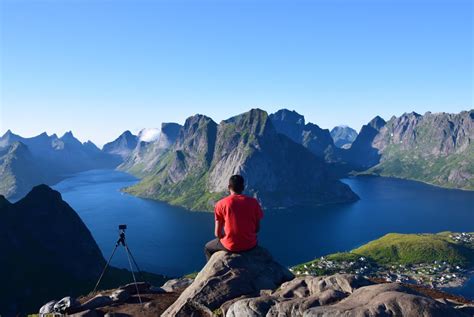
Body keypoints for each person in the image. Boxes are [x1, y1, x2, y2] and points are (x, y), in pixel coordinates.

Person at [204, 174, 264, 261]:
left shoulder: (221, 204)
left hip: (230, 245)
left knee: (208, 248)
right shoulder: (254, 202)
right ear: (243, 187)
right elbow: (257, 229)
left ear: (229, 187)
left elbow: (217, 234)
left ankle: (210, 270)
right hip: (250, 245)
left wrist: (227, 236)